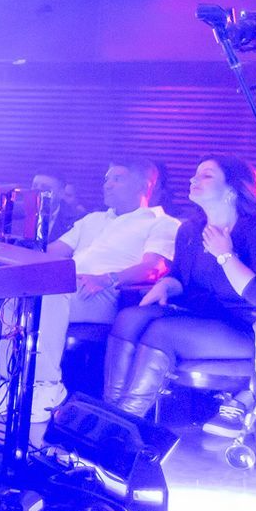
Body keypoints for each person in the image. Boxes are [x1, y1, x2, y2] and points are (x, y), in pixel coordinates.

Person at [103, 158, 256, 420]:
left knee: (162, 332)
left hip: (244, 327)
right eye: (195, 174)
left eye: (206, 176)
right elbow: (180, 279)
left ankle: (126, 422)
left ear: (232, 189)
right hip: (199, 317)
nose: (193, 180)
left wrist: (226, 255)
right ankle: (110, 412)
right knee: (129, 317)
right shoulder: (190, 230)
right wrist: (167, 284)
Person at [31, 160, 178, 408]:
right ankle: (8, 382)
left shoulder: (161, 222)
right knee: (11, 294)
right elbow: (52, 251)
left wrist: (107, 278)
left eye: (117, 179)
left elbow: (153, 267)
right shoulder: (93, 219)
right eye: (106, 179)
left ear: (145, 185)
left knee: (49, 296)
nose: (107, 185)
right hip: (70, 283)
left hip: (110, 292)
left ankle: (47, 386)